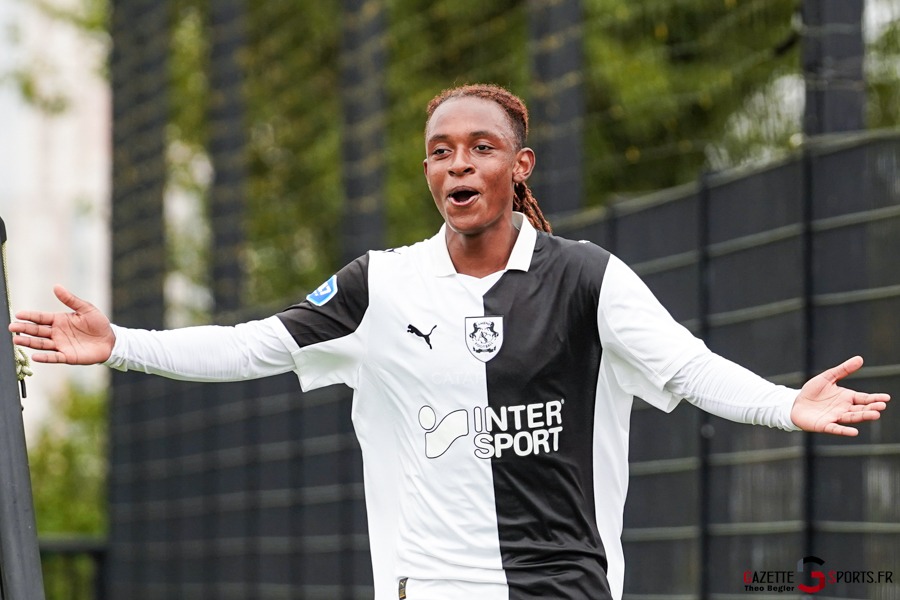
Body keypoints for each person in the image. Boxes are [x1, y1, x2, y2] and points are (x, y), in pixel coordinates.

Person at [10, 84, 889, 600]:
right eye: (440, 151)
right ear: (428, 170)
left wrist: (785, 404)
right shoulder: (380, 286)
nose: (458, 163)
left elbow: (687, 368)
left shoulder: (587, 278)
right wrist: (120, 343)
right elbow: (250, 347)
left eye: (480, 147)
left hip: (564, 586)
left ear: (519, 165)